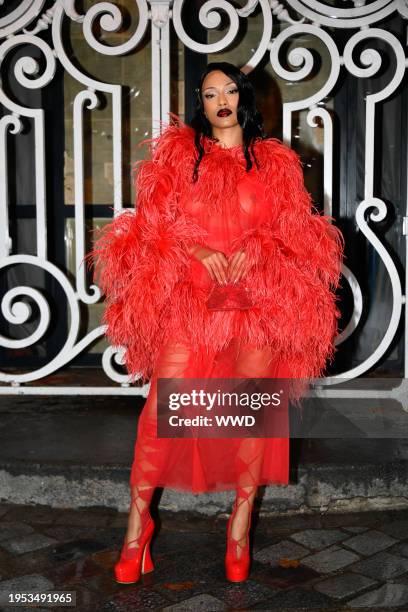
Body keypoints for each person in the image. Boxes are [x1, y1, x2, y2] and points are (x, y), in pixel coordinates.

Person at [89, 62, 345, 585]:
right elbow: (152, 230)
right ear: (200, 104)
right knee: (163, 412)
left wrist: (260, 251)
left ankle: (240, 528)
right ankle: (137, 531)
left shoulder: (276, 163)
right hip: (192, 300)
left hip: (256, 304)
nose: (221, 100)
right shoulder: (179, 159)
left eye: (229, 90)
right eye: (209, 93)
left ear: (244, 97)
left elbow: (299, 236)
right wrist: (195, 251)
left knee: (249, 411)